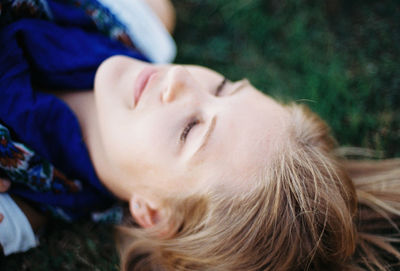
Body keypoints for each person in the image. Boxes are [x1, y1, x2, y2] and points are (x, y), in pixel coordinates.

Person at [1, 1, 400, 271]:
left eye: (191, 130)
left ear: (154, 212)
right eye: (222, 87)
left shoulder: (17, 210)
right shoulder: (144, 23)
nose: (179, 77)